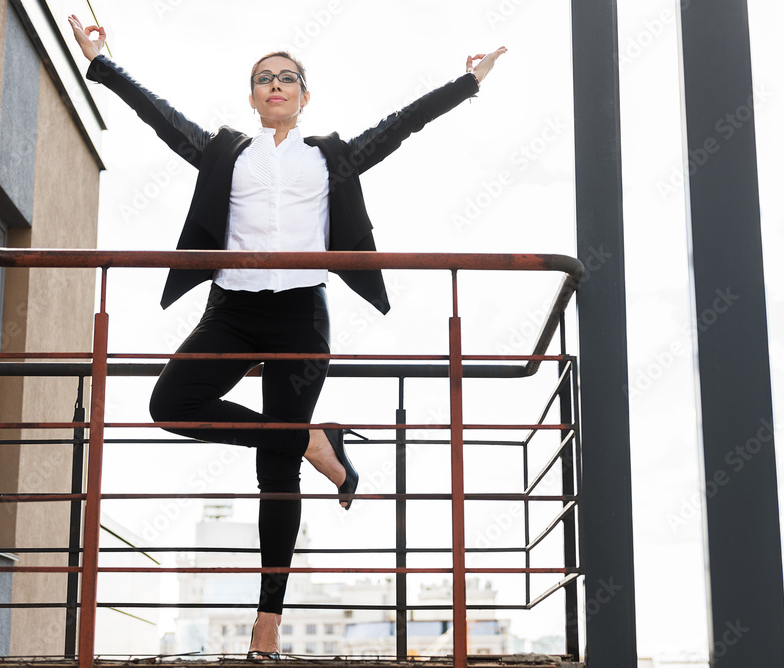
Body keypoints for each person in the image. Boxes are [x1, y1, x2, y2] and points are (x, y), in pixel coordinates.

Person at [67, 13, 506, 660]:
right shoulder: (224, 151)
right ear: (251, 97)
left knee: (274, 473)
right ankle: (308, 437)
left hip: (302, 314)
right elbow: (160, 118)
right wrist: (104, 64)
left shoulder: (329, 154)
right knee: (170, 404)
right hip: (232, 314)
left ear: (305, 96)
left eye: (288, 78)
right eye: (264, 79)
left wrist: (466, 82)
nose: (275, 85)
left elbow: (400, 126)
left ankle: (267, 622)